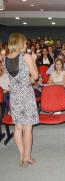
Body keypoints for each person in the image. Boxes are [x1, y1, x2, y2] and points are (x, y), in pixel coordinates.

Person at [5, 33, 39, 167]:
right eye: (25, 43)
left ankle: (21, 154)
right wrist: (34, 60)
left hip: (14, 96)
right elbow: (35, 77)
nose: (26, 45)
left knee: (18, 127)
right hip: (26, 95)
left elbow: (14, 80)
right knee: (28, 128)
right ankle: (27, 157)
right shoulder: (26, 57)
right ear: (20, 43)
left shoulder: (5, 58)